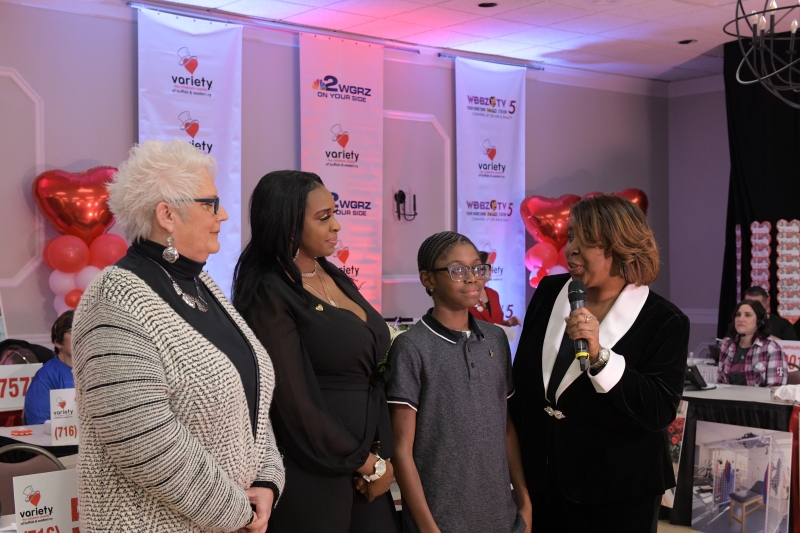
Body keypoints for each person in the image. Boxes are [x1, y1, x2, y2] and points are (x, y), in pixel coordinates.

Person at [72, 139, 284, 533]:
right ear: (167, 214)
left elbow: (250, 401)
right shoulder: (113, 298)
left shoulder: (203, 285)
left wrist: (267, 481)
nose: (223, 214)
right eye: (211, 204)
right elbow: (141, 440)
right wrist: (237, 512)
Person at [509, 195, 690, 533]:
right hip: (542, 482)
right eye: (572, 236)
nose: (572, 249)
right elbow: (525, 389)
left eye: (587, 240)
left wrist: (600, 358)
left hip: (618, 492)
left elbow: (658, 410)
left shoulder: (665, 320)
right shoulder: (549, 291)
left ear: (621, 248)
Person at [232, 170, 397, 533]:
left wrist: (381, 458)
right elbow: (292, 401)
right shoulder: (268, 291)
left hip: (368, 465)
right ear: (287, 224)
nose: (336, 226)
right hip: (314, 472)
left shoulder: (333, 274)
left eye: (334, 214)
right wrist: (367, 464)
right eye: (323, 218)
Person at [385, 231, 530, 533]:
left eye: (477, 268)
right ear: (428, 279)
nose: (473, 278)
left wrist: (524, 501)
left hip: (502, 520)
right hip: (441, 521)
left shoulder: (496, 338)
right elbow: (402, 450)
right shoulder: (412, 347)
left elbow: (505, 427)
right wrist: (428, 528)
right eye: (458, 270)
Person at [718, 299, 786, 387]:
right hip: (727, 396)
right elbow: (721, 383)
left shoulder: (772, 349)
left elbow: (776, 388)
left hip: (758, 396)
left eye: (747, 315)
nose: (740, 319)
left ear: (759, 321)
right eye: (738, 315)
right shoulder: (727, 346)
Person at [24, 311, 74, 424]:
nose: (80, 336)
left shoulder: (98, 372)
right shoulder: (46, 376)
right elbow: (39, 424)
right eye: (72, 331)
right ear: (58, 342)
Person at [468, 250, 521, 327]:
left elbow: (495, 323)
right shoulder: (466, 295)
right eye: (489, 265)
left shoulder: (494, 294)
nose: (492, 269)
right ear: (478, 268)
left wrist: (507, 323)